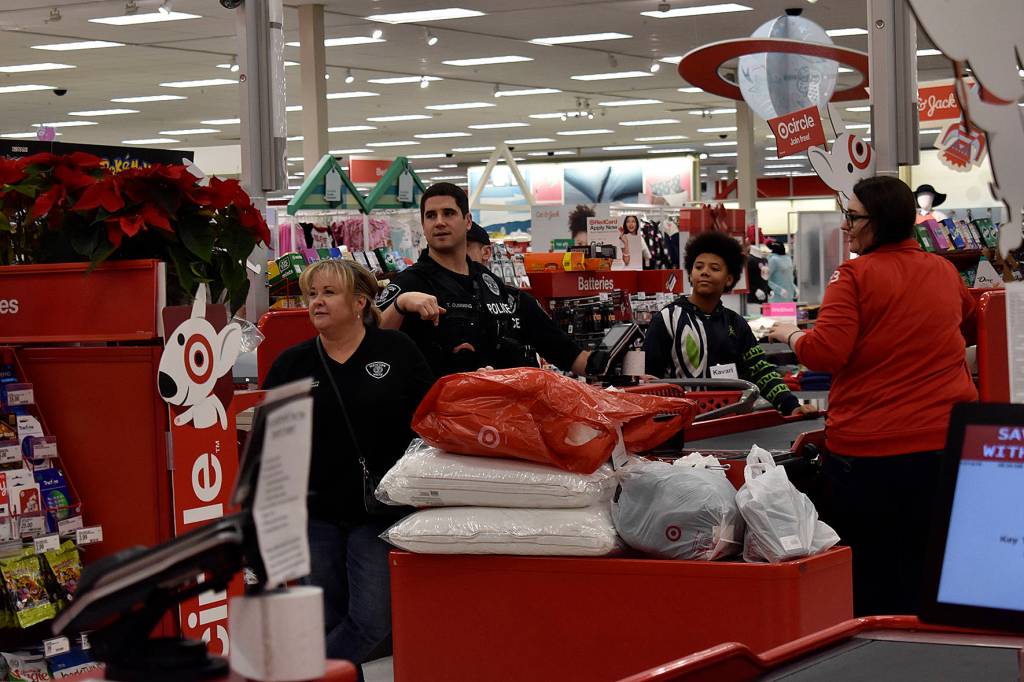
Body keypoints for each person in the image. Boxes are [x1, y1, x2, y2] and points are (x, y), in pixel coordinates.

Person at [768, 175, 978, 617]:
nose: (846, 226)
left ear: (878, 222)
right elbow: (972, 326)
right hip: (945, 445)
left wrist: (791, 335)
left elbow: (827, 352)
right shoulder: (943, 270)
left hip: (871, 452)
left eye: (853, 217)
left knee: (873, 576)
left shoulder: (854, 276)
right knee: (928, 565)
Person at [262, 259, 433, 672]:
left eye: (328, 293)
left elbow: (429, 422)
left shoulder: (396, 351)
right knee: (324, 619)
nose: (316, 302)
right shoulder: (291, 363)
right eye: (312, 294)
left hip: (379, 511)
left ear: (359, 302)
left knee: (372, 619)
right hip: (313, 514)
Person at [379, 182, 593, 378]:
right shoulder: (411, 284)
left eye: (449, 213)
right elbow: (368, 343)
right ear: (424, 225)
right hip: (438, 415)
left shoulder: (489, 283)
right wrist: (400, 305)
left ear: (468, 221)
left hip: (505, 412)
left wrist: (612, 364)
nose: (440, 222)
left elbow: (567, 353)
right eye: (431, 216)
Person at [645, 231, 814, 418]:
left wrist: (791, 406)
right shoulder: (667, 319)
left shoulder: (736, 323)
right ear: (690, 275)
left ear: (729, 279)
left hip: (729, 427)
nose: (704, 272)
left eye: (715, 268)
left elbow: (760, 370)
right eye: (698, 266)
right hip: (682, 426)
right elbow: (649, 381)